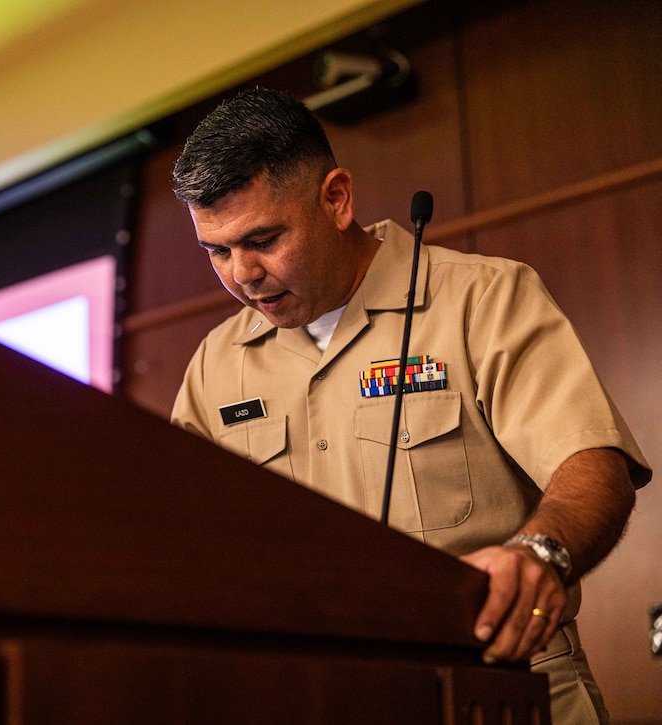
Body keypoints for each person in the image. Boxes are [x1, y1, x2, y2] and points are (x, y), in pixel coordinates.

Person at [169, 87, 652, 724]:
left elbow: (593, 463)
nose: (242, 275)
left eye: (262, 239)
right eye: (218, 251)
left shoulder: (481, 300)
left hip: (495, 689)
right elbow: (178, 539)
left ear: (336, 199)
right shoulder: (215, 364)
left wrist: (540, 555)